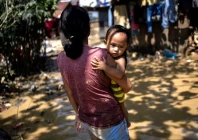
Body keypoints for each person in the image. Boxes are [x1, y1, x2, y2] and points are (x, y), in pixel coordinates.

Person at [57, 5, 132, 140]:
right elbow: (127, 87)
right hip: (111, 120)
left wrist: (78, 114)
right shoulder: (101, 55)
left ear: (64, 31)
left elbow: (69, 92)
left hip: (87, 120)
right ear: (89, 29)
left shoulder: (61, 58)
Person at [91, 25, 131, 127]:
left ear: (126, 46)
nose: (116, 49)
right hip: (111, 90)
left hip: (117, 91)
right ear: (106, 43)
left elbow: (120, 74)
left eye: (121, 46)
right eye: (113, 45)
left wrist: (104, 67)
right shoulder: (104, 54)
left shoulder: (121, 59)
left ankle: (127, 122)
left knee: (122, 107)